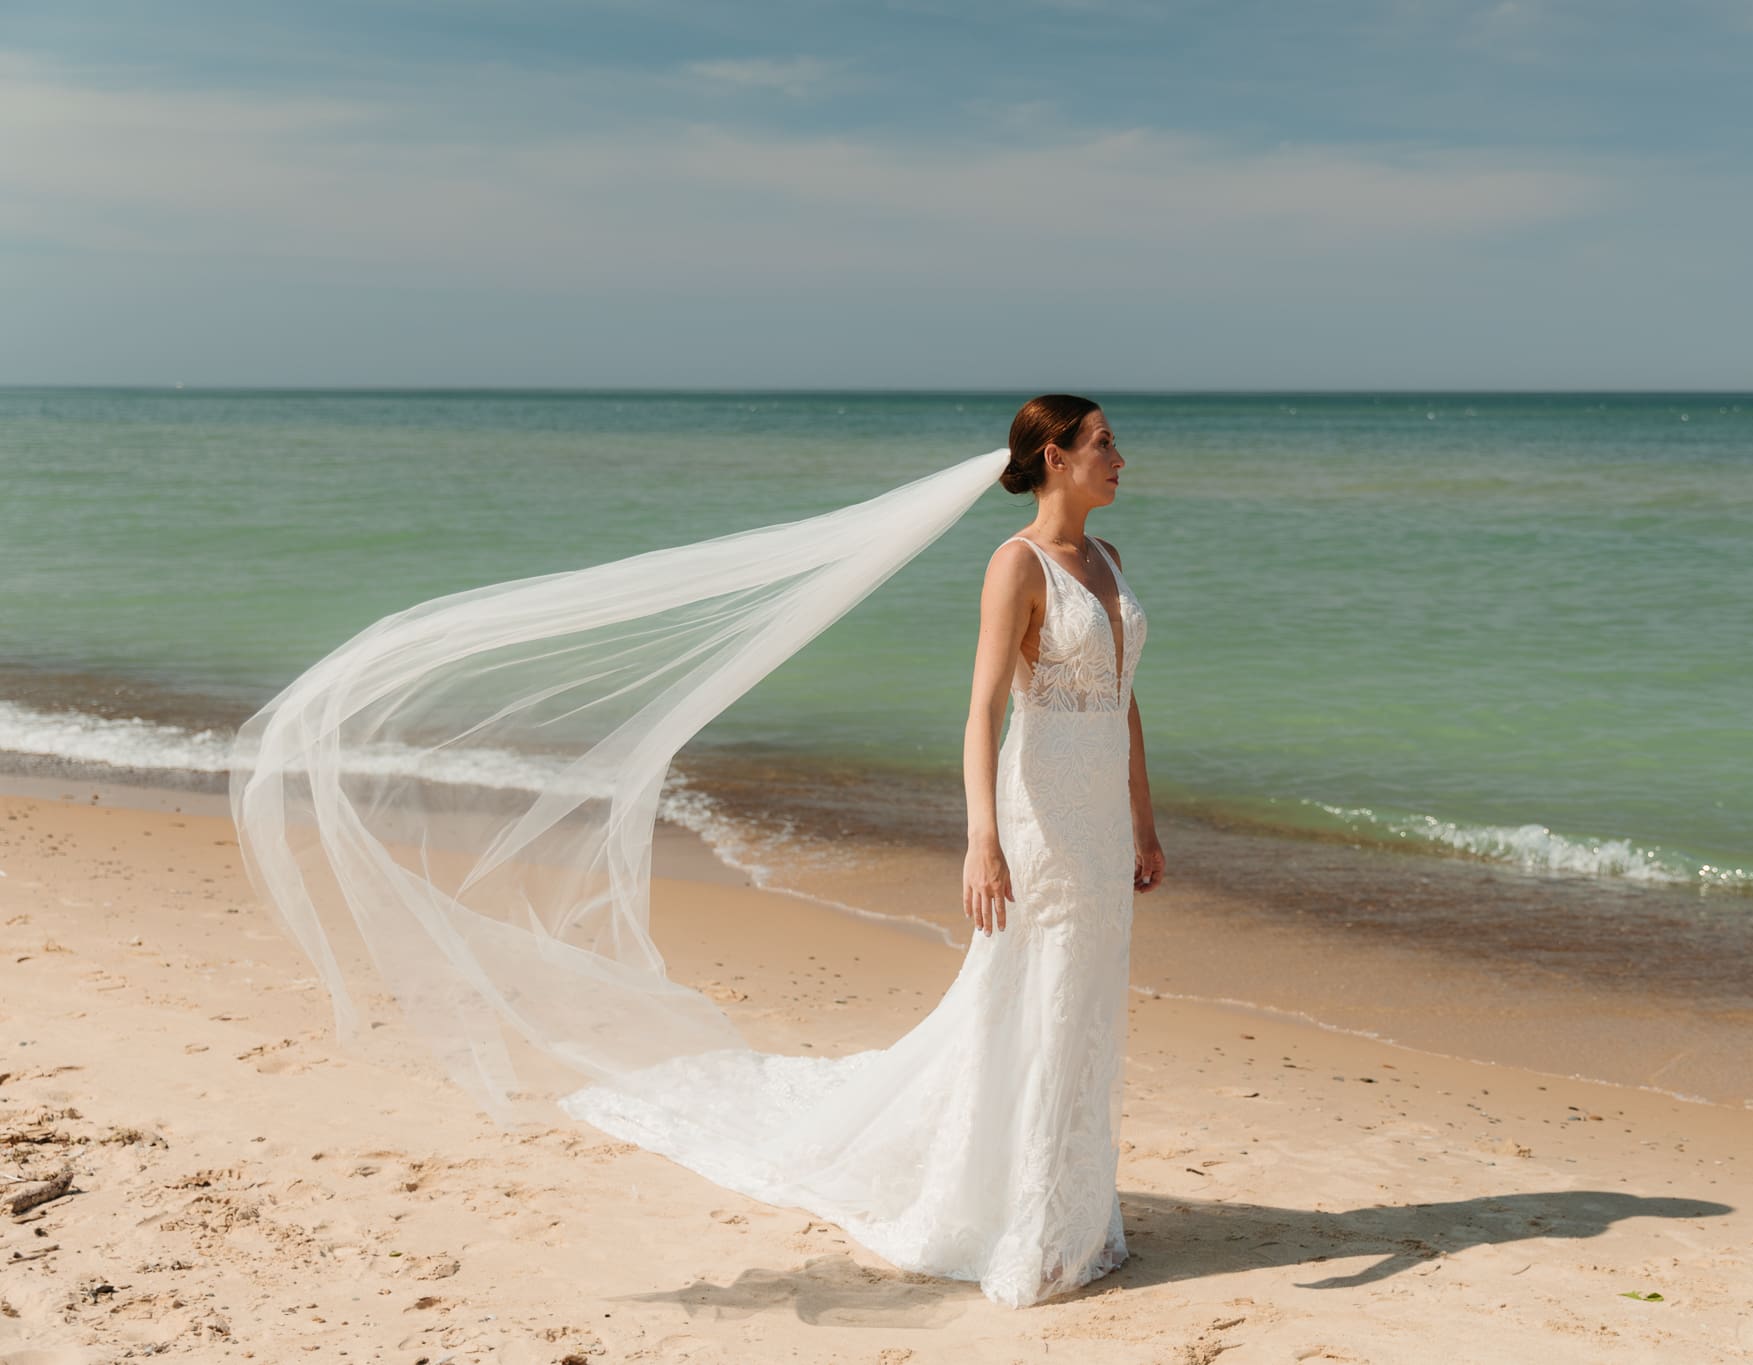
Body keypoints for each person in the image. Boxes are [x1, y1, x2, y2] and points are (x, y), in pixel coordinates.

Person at [231, 393, 1159, 1309]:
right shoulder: (1016, 564)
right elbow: (981, 711)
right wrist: (981, 840)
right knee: (1029, 999)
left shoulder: (1109, 561)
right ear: (1053, 458)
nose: (1121, 457)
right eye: (1105, 443)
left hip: (1101, 824)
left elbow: (1124, 699)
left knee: (1084, 1000)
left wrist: (1145, 820)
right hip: (1036, 822)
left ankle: (1079, 1210)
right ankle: (1030, 1225)